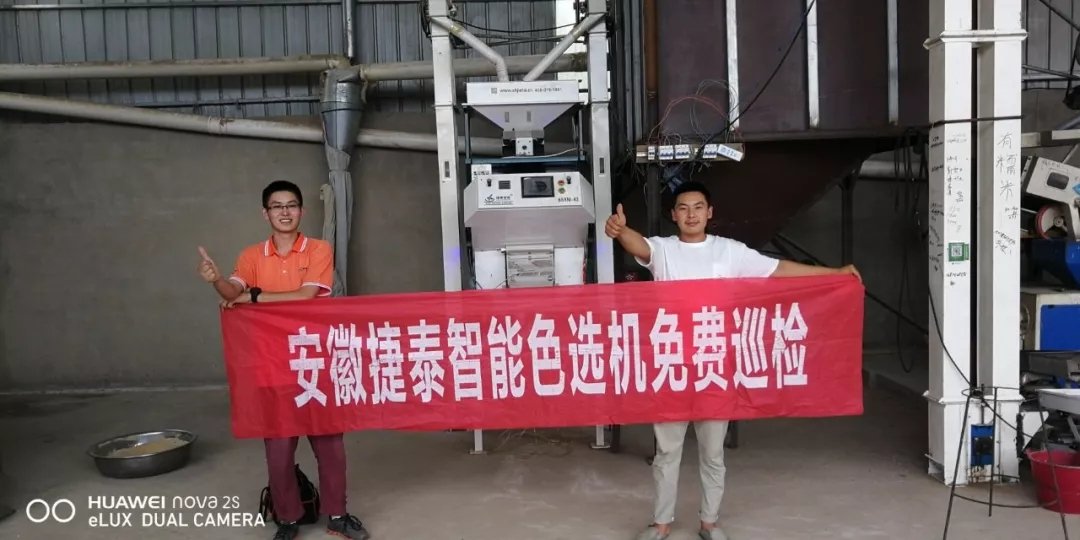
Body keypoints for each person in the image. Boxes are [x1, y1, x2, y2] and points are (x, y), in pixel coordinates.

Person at [605, 181, 860, 540]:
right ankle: (661, 522)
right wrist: (621, 232)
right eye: (683, 208)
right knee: (667, 451)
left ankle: (709, 522)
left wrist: (834, 274)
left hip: (715, 368)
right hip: (671, 367)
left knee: (712, 453)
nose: (691, 214)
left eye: (698, 207)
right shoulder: (664, 250)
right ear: (673, 215)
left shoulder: (730, 252)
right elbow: (639, 245)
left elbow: (778, 269)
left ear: (709, 212)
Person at [197, 180, 370, 540]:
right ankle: (287, 518)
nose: (285, 212)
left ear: (301, 211)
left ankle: (337, 516)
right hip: (272, 363)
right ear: (266, 214)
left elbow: (306, 296)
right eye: (277, 206)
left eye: (291, 205)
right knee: (278, 449)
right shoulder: (251, 256)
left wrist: (253, 297)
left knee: (330, 447)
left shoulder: (319, 249)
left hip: (316, 361)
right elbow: (232, 292)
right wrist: (216, 281)